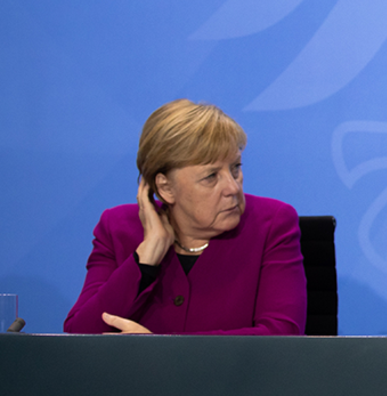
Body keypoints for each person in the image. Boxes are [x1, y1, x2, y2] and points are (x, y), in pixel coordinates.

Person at [64, 99, 306, 334]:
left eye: (235, 168)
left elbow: (281, 336)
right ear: (166, 188)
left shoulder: (272, 224)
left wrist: (160, 352)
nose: (233, 188)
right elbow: (80, 337)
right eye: (211, 176)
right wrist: (145, 258)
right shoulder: (117, 228)